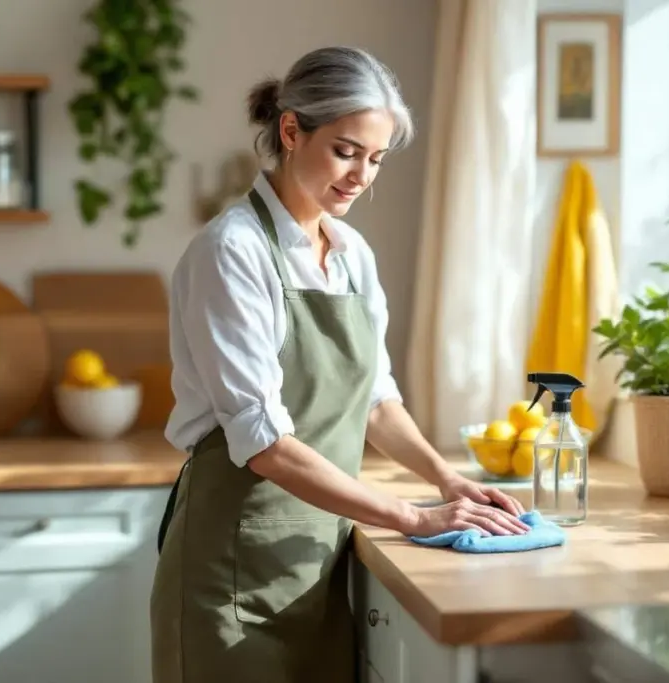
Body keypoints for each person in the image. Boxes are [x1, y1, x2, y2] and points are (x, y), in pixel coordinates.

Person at [150, 45, 528, 683]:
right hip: (231, 577)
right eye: (346, 151)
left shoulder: (352, 254)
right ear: (291, 131)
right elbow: (264, 443)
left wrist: (447, 480)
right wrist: (414, 517)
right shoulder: (232, 252)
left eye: (375, 158)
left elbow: (376, 401)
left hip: (320, 566)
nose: (361, 176)